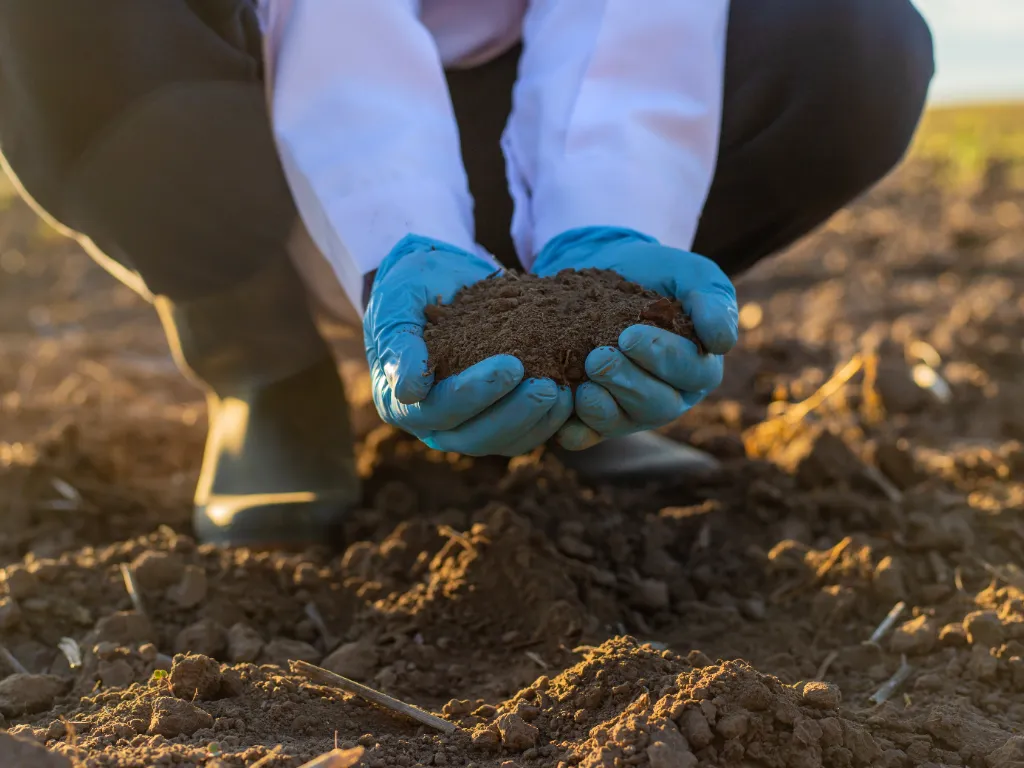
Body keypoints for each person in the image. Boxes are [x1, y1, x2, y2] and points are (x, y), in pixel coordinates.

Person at [0, 1, 934, 548]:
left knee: (852, 42)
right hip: (238, 95)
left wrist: (605, 220)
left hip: (516, 98)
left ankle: (580, 376)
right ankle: (261, 367)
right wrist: (398, 231)